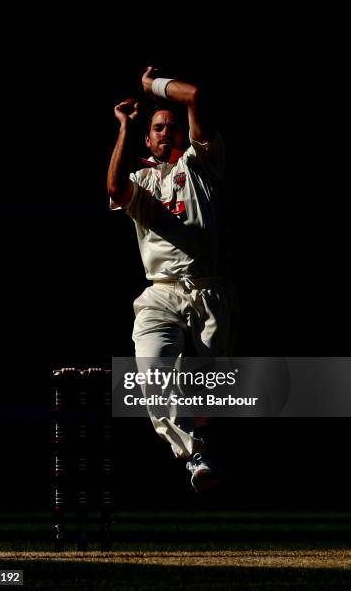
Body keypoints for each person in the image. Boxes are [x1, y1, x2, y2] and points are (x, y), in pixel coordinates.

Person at [107, 67, 238, 493]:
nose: (165, 133)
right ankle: (195, 460)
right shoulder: (141, 181)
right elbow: (113, 188)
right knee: (152, 374)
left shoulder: (201, 164)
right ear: (148, 139)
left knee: (204, 398)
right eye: (157, 128)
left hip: (209, 292)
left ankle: (201, 436)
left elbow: (196, 95)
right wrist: (126, 125)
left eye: (172, 127)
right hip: (160, 294)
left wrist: (152, 87)